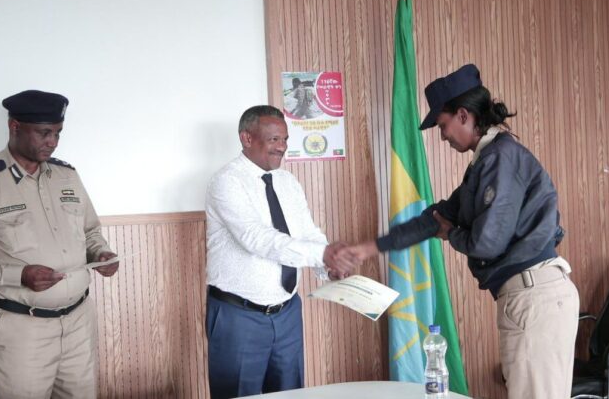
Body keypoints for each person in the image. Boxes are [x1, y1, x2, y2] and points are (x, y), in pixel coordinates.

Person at [343, 64, 579, 398]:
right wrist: (366, 249)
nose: (442, 136)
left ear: (464, 115)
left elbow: (486, 243)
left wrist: (450, 233)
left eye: (442, 125)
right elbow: (435, 218)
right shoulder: (486, 162)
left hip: (534, 296)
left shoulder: (500, 158)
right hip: (529, 296)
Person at [0, 90, 119, 399]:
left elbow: (90, 230)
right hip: (21, 330)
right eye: (44, 132)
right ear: (14, 126)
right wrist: (20, 275)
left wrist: (101, 252)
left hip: (79, 323)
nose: (53, 142)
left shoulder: (67, 175)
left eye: (57, 133)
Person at [204, 105, 356, 399]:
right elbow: (256, 239)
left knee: (291, 394)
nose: (282, 147)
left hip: (287, 313)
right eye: (274, 139)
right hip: (239, 316)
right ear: (247, 138)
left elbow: (308, 232)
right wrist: (322, 254)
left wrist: (327, 268)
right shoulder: (226, 181)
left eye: (285, 139)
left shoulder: (288, 182)